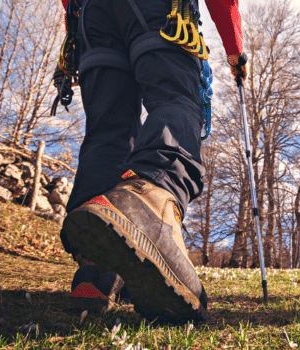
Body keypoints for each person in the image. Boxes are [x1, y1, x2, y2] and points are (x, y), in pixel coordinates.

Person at [55, 0, 249, 321]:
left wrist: (75, 28)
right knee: (177, 97)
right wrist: (235, 48)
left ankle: (96, 271)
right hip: (158, 10)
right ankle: (151, 202)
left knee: (107, 131)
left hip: (90, 17)